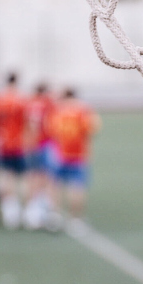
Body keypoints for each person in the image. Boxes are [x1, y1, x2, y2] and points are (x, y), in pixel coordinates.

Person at [47, 88, 100, 226]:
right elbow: (93, 128)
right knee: (77, 186)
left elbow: (50, 130)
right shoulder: (82, 110)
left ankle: (55, 215)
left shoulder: (57, 109)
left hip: (60, 153)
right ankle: (76, 218)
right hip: (78, 153)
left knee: (55, 185)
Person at [0, 73, 29, 228]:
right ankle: (21, 209)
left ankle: (9, 210)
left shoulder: (0, 99)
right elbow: (26, 122)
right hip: (18, 142)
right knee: (21, 177)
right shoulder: (21, 100)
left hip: (5, 142)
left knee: (7, 176)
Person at [23, 83, 57, 228]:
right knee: (48, 176)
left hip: (31, 144)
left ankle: (31, 206)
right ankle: (48, 206)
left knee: (32, 175)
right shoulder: (48, 103)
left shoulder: (29, 103)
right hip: (45, 143)